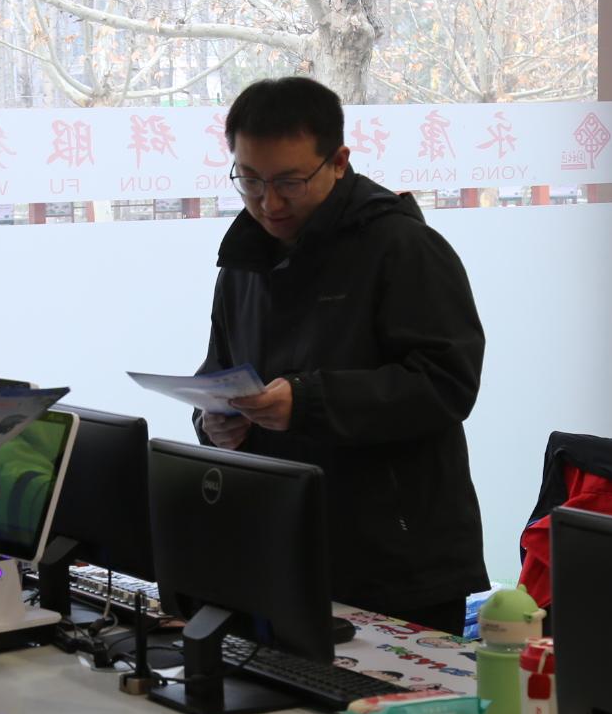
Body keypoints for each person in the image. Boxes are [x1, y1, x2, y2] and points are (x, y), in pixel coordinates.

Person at [195, 76, 488, 633]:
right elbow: (220, 368)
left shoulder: (401, 246)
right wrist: (214, 420)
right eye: (250, 180)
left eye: (289, 182)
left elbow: (447, 383)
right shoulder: (244, 258)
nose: (268, 202)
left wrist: (307, 401)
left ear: (338, 162)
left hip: (396, 560)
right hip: (283, 544)